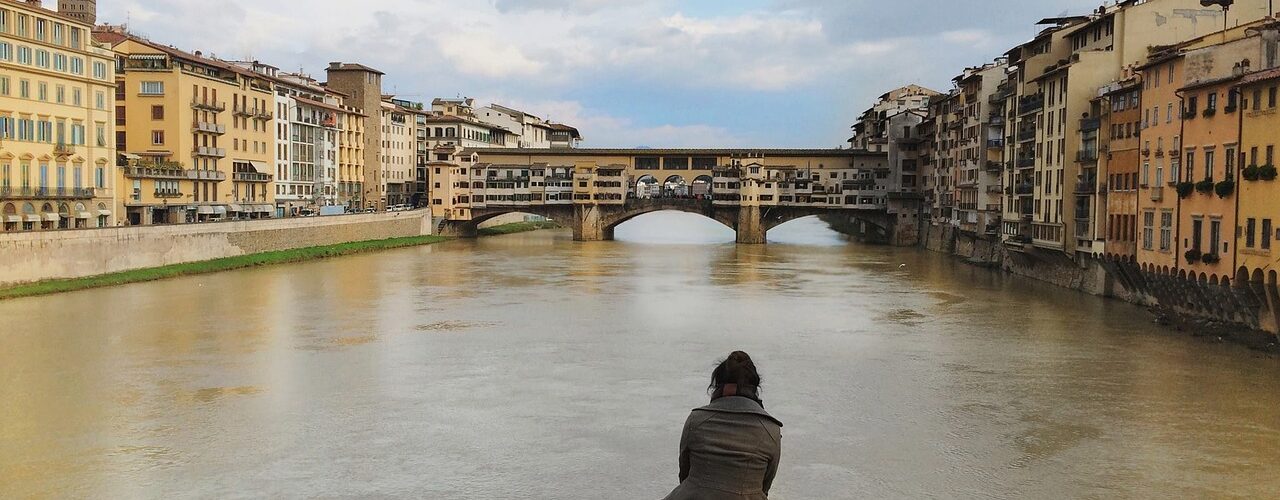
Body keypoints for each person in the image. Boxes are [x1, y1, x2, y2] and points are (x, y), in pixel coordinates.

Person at [663, 351, 783, 500]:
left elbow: (684, 472)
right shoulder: (771, 429)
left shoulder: (697, 419)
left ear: (717, 385)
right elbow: (765, 485)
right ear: (755, 388)